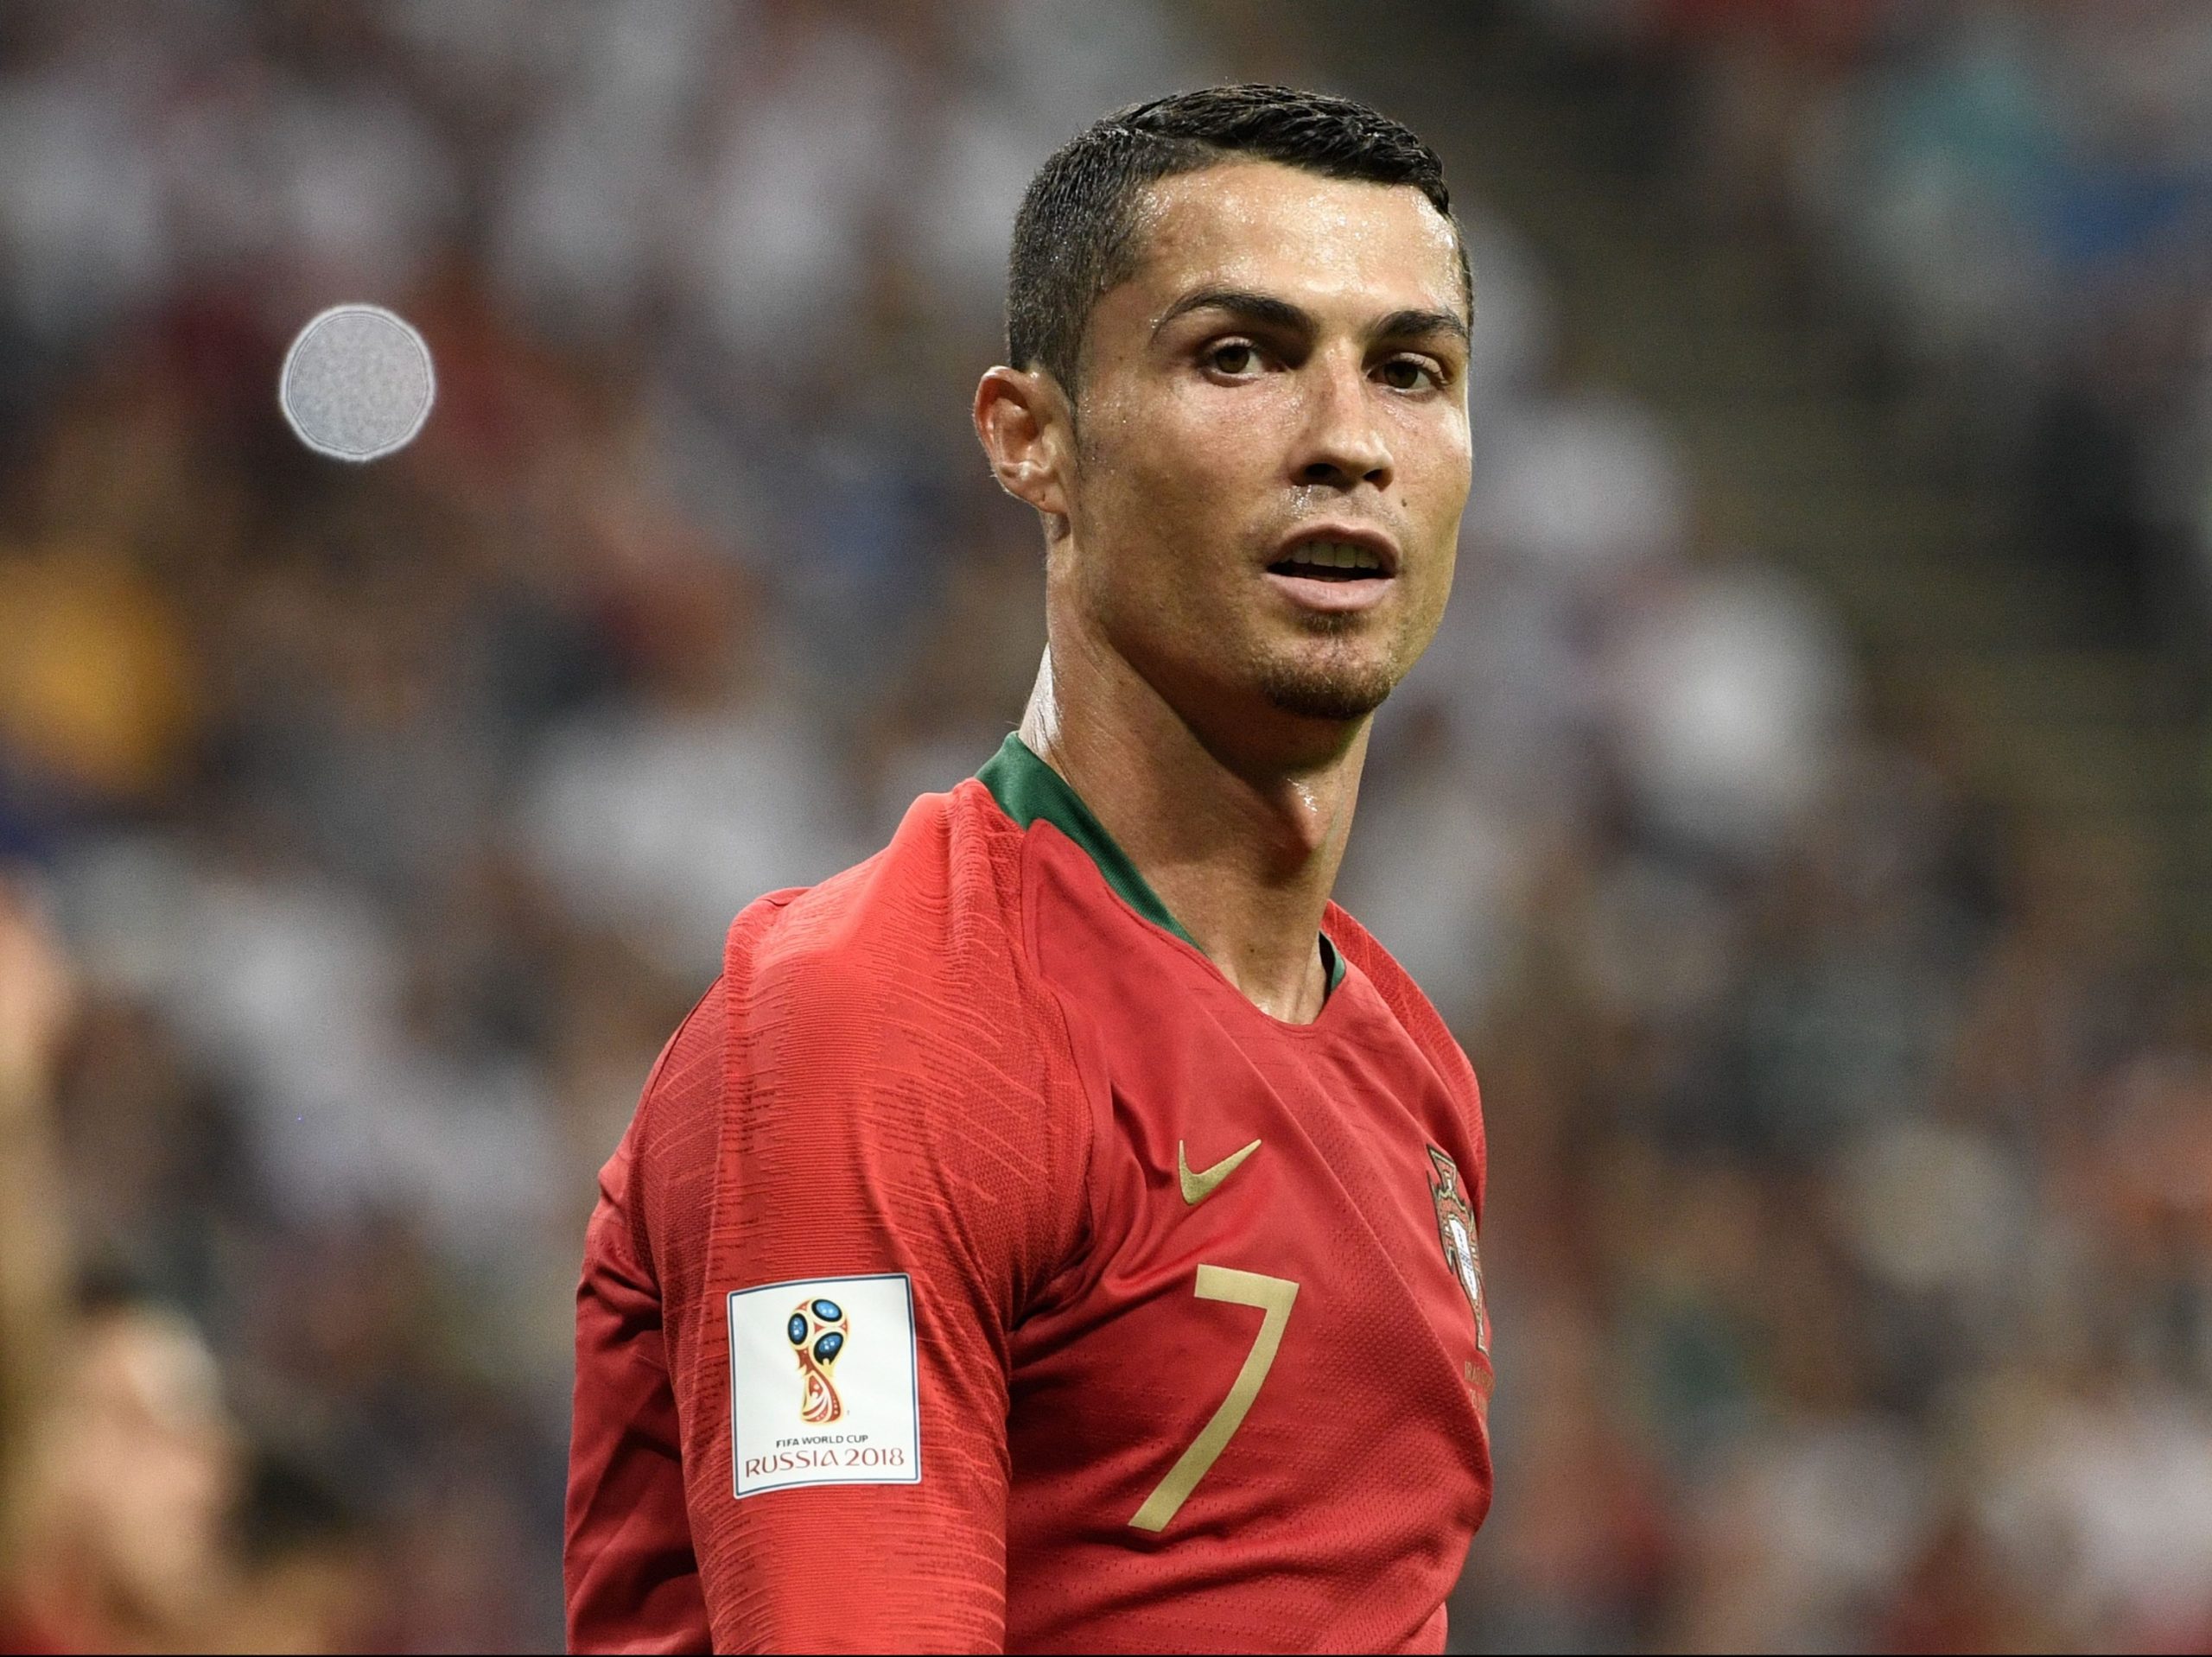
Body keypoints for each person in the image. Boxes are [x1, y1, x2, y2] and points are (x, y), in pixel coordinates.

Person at [565, 85, 1492, 1654]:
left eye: (1411, 371)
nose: (1348, 441)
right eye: (1241, 355)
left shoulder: (1411, 1072)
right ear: (1032, 440)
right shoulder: (880, 1024)